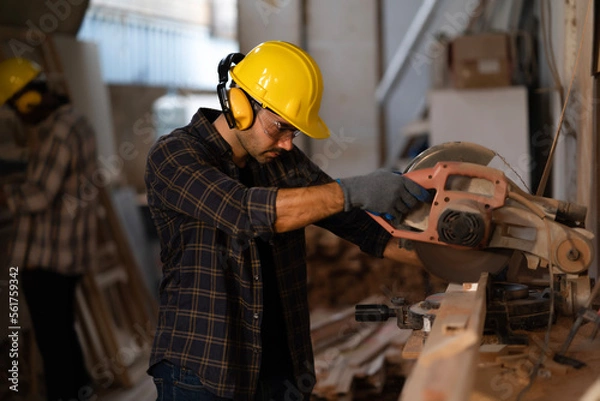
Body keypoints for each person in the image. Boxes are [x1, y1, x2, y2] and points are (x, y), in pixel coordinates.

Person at [145, 41, 430, 401]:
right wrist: (353, 189)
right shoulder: (173, 156)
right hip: (202, 371)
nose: (287, 144)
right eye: (279, 128)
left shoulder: (281, 162)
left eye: (293, 132)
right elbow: (245, 211)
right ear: (239, 105)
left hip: (280, 370)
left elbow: (363, 228)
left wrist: (457, 253)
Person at [0, 57, 98, 401]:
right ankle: (81, 390)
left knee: (52, 341)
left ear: (27, 99)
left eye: (16, 107)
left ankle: (65, 394)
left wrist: (5, 194)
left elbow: (39, 195)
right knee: (62, 335)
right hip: (64, 254)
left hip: (48, 256)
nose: (19, 115)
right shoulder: (76, 121)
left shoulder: (59, 130)